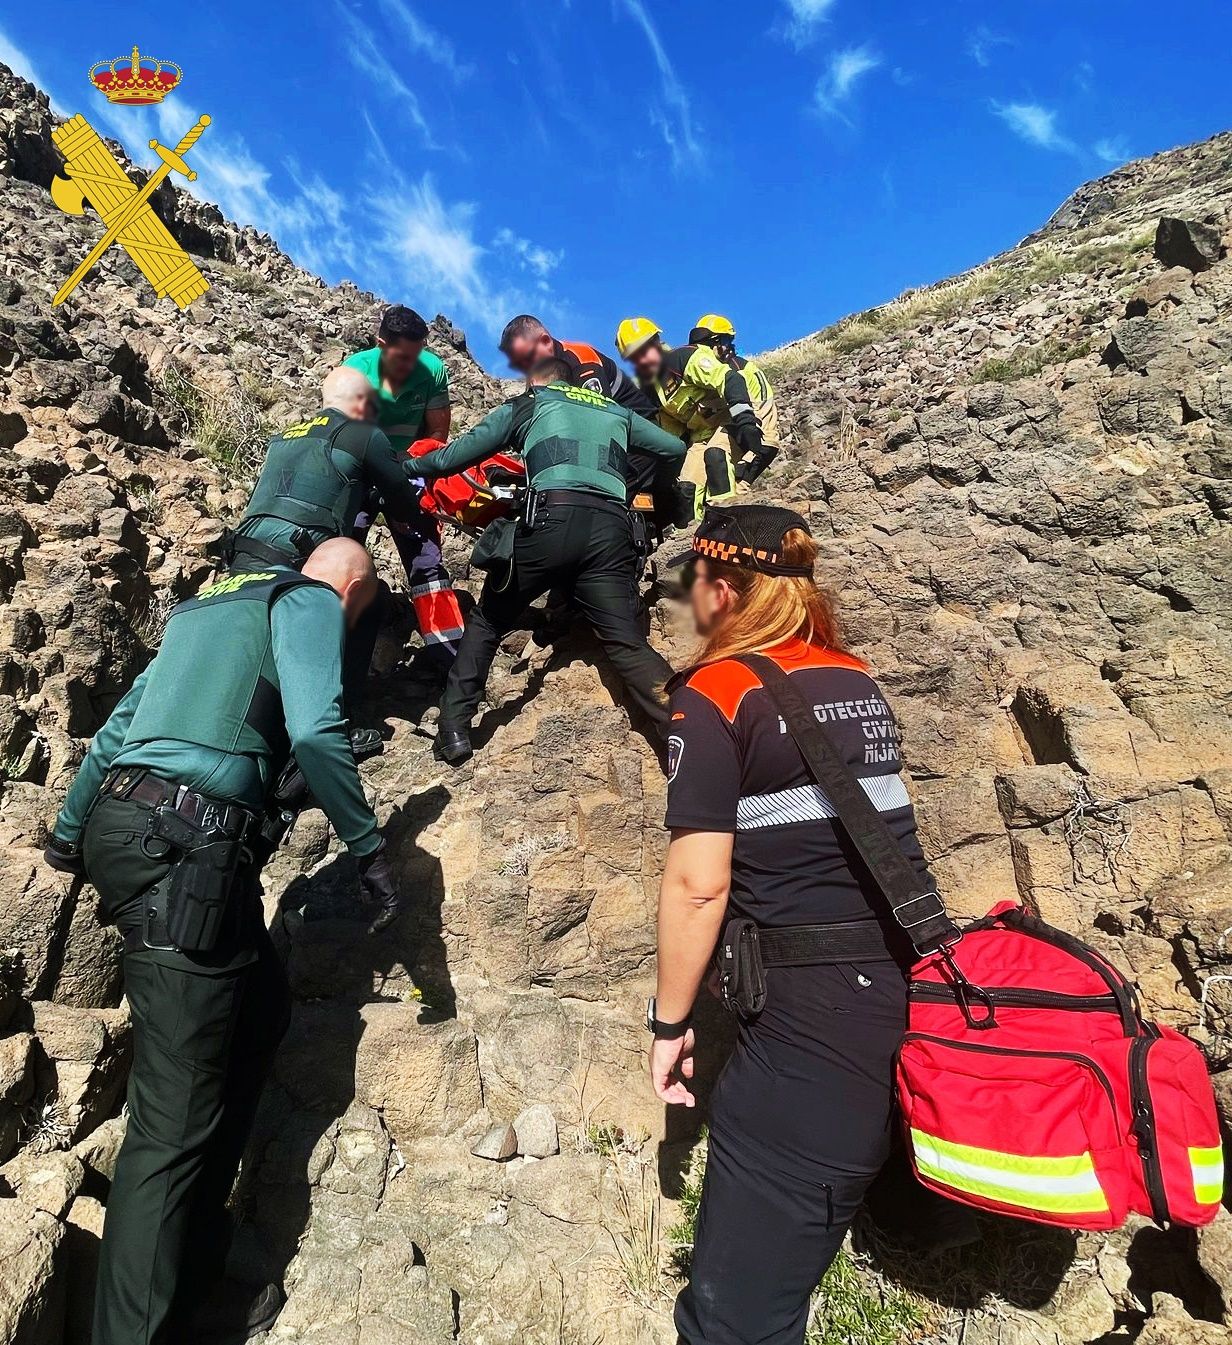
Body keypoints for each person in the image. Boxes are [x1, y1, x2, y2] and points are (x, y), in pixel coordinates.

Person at [41, 539, 404, 1345]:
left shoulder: (208, 612)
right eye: (363, 608)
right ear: (350, 589)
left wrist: (69, 834)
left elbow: (117, 730)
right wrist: (368, 847)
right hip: (184, 853)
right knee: (171, 1120)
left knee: (256, 1012)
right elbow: (316, 731)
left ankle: (197, 1272)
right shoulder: (308, 601)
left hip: (149, 832)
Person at [647, 505, 931, 1345]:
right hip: (901, 976)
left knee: (734, 1319)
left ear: (726, 588)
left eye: (693, 581)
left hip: (812, 1021)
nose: (688, 599)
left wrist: (670, 1021)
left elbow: (699, 886)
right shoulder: (856, 674)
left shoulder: (716, 691)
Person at [412, 357, 687, 765]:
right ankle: (685, 729)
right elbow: (675, 447)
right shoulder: (616, 410)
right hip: (611, 532)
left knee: (489, 621)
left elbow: (451, 458)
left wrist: (409, 466)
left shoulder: (530, 404)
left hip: (548, 522)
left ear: (534, 382)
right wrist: (639, 488)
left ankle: (454, 729)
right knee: (626, 643)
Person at [344, 305, 466, 669]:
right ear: (381, 344)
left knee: (427, 561)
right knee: (344, 548)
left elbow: (436, 435)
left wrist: (410, 477)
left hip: (408, 470)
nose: (411, 365)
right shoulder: (355, 372)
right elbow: (346, 436)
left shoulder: (432, 370)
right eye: (402, 357)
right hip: (362, 470)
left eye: (418, 355)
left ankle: (449, 663)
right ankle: (333, 652)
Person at [228, 365, 426, 570]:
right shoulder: (364, 435)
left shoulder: (280, 439)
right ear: (362, 402)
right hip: (301, 561)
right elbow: (402, 498)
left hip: (243, 550)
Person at [616, 318, 777, 520]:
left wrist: (745, 419)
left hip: (733, 421)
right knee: (686, 490)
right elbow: (672, 431)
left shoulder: (684, 358)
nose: (641, 360)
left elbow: (729, 379)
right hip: (702, 436)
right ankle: (693, 537)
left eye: (644, 351)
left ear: (656, 342)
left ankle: (727, 522)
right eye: (634, 357)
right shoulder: (651, 389)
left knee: (716, 456)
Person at [689, 313, 782, 478]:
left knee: (730, 495)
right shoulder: (701, 376)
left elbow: (766, 425)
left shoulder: (744, 371)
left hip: (751, 442)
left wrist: (754, 441)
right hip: (709, 445)